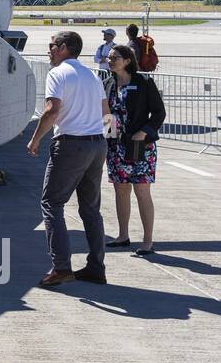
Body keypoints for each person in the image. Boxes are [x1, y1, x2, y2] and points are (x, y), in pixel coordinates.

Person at [27, 31, 111, 286]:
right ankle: (96, 266)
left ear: (63, 48)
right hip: (97, 143)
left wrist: (35, 138)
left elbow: (52, 110)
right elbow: (107, 114)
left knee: (52, 203)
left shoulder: (58, 73)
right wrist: (105, 143)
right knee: (90, 208)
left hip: (71, 144)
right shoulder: (92, 75)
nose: (49, 50)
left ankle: (61, 267)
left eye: (52, 46)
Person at [104, 44, 165, 255]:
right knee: (120, 190)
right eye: (109, 57)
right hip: (116, 146)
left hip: (140, 144)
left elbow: (159, 113)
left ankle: (148, 241)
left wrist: (145, 132)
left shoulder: (144, 82)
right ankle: (122, 235)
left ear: (127, 60)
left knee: (141, 190)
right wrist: (108, 140)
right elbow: (106, 115)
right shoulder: (108, 84)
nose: (110, 60)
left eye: (115, 57)